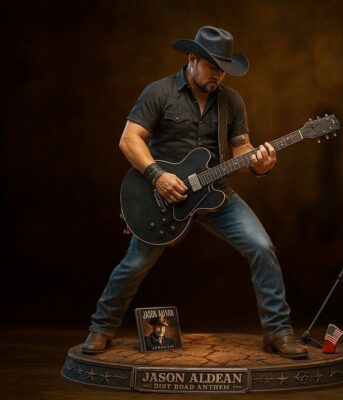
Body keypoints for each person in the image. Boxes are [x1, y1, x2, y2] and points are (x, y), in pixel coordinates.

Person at [82, 26, 308, 359]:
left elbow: (242, 151)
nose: (217, 75)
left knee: (262, 247)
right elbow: (129, 139)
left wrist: (261, 165)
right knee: (134, 265)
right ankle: (101, 328)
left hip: (216, 193)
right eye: (212, 67)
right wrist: (158, 176)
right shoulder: (159, 92)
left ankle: (278, 332)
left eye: (223, 70)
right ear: (192, 59)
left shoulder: (231, 101)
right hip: (164, 196)